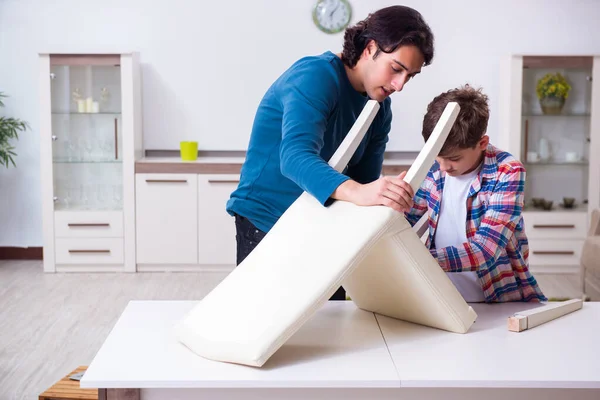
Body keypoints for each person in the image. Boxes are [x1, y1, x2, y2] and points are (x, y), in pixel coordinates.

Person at [226, 6, 435, 299]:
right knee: (265, 322)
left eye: (409, 76)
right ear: (370, 48)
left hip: (322, 227)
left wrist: (381, 198)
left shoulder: (380, 109)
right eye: (396, 68)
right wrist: (362, 193)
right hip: (267, 220)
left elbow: (365, 185)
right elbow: (295, 158)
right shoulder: (315, 76)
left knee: (334, 324)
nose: (400, 85)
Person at [405, 85, 547, 303]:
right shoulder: (434, 168)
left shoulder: (507, 172)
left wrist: (419, 260)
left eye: (453, 159)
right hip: (444, 295)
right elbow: (408, 219)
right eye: (437, 157)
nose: (442, 167)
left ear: (482, 143)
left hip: (494, 296)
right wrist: (395, 203)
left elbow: (486, 249)